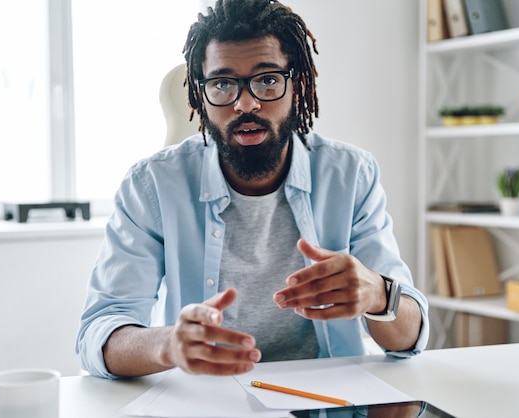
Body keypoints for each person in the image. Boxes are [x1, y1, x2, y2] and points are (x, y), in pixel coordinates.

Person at [76, 0, 429, 379]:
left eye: (267, 79)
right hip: (207, 400)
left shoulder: (351, 175)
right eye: (223, 84)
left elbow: (409, 338)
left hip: (328, 397)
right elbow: (99, 334)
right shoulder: (153, 185)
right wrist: (167, 344)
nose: (246, 103)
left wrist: (378, 294)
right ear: (200, 95)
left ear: (299, 85)